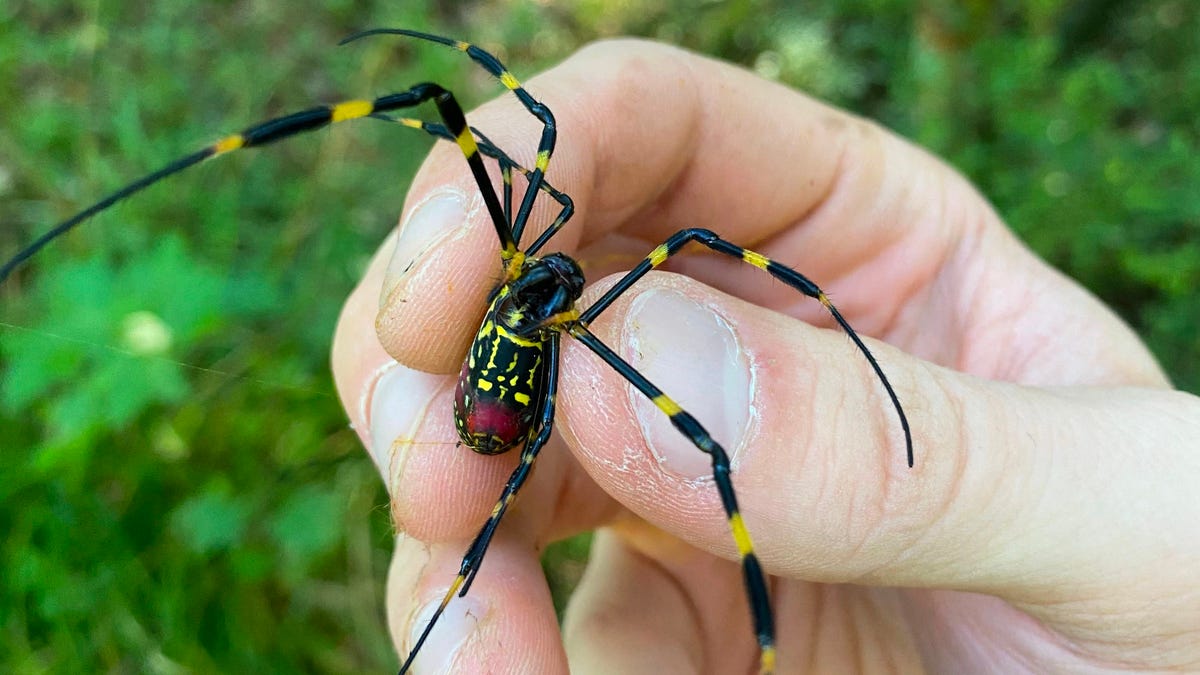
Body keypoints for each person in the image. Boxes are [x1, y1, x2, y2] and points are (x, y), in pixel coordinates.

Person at [330, 39, 1200, 673]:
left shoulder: (565, 301)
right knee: (489, 126)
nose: (561, 260)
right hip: (495, 412)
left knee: (704, 442)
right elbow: (526, 123)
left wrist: (822, 304)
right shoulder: (539, 273)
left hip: (503, 402)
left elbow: (713, 441)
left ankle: (766, 646)